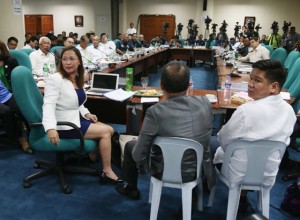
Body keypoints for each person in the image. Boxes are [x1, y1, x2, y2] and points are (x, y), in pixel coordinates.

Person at [115, 61, 215, 199]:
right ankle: (191, 196)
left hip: (166, 169)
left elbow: (138, 154)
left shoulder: (155, 112)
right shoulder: (205, 102)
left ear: (161, 85)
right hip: (199, 168)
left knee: (131, 145)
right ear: (188, 85)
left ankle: (131, 188)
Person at [211, 59, 296, 211]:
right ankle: (243, 197)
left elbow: (223, 139)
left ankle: (205, 187)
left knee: (211, 144)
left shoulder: (246, 111)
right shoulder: (289, 111)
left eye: (257, 81)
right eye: (251, 78)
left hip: (237, 173)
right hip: (267, 173)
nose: (250, 84)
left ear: (274, 87)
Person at [42, 47, 121, 184]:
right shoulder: (55, 79)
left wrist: (87, 113)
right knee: (106, 132)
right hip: (64, 125)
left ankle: (93, 154)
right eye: (65, 59)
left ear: (79, 61)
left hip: (76, 118)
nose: (67, 62)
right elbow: (48, 105)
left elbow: (78, 103)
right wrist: (50, 128)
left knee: (110, 129)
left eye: (71, 59)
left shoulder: (76, 78)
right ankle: (107, 170)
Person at [0, 80, 33, 154]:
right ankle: (21, 139)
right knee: (7, 112)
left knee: (22, 107)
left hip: (5, 95)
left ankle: (33, 133)